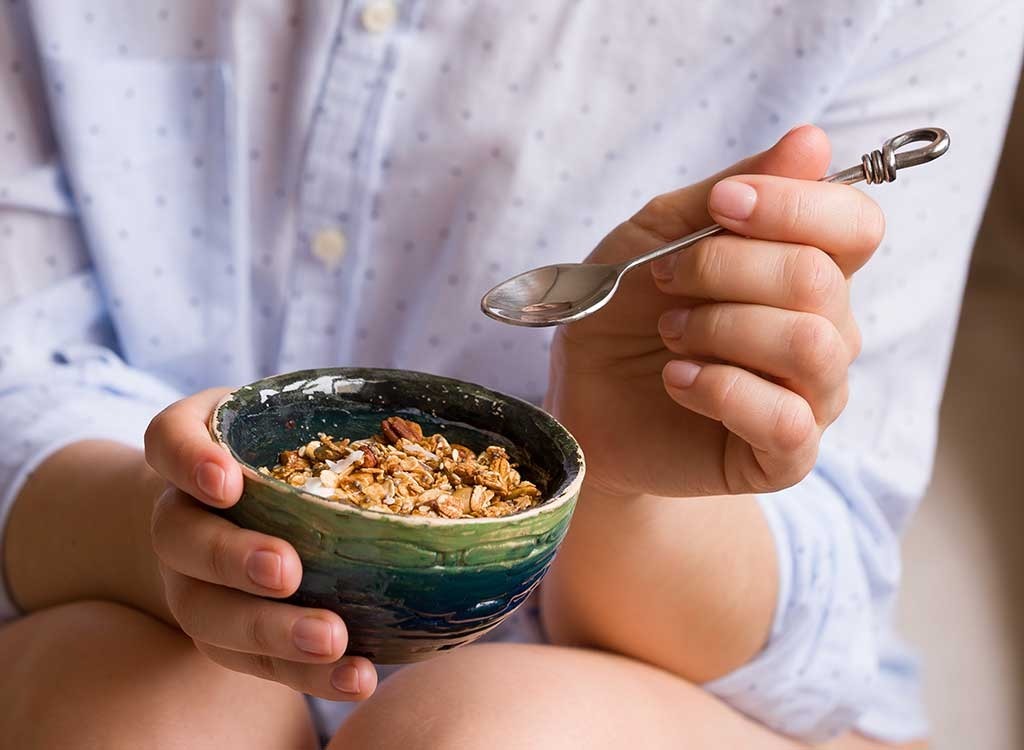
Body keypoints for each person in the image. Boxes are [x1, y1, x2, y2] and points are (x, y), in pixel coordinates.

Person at [0, 1, 1021, 748]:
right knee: (145, 715)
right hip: (107, 571)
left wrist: (624, 482)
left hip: (682, 670)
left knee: (485, 735)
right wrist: (185, 531)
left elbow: (810, 617)